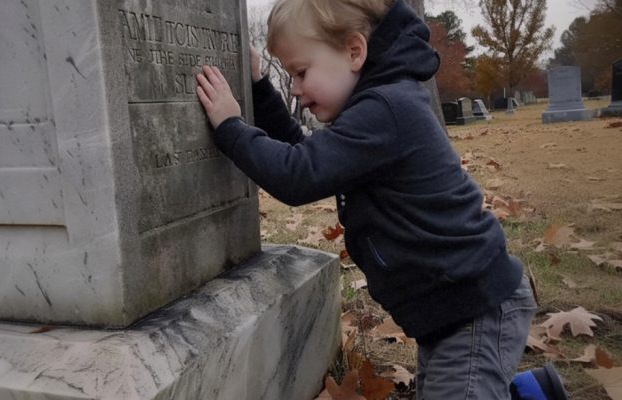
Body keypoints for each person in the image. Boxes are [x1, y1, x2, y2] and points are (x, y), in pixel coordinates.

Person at [195, 0, 537, 398]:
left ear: (354, 52)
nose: (295, 88)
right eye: (289, 76)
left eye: (301, 72)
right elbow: (303, 153)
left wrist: (231, 127)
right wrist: (257, 87)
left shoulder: (386, 110)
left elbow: (298, 175)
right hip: (448, 308)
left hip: (474, 307)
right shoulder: (375, 105)